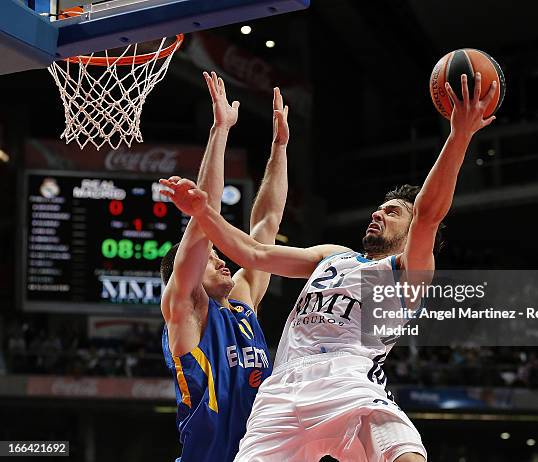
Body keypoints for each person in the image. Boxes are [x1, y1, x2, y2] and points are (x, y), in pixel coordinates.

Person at [161, 73, 496, 462]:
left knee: (404, 451)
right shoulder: (328, 257)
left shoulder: (407, 271)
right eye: (379, 207)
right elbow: (244, 246)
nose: (378, 213)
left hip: (344, 379)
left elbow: (426, 215)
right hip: (272, 400)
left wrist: (459, 136)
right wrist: (205, 200)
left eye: (392, 212)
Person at [159, 71, 289, 462]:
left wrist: (279, 147)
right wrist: (220, 130)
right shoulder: (188, 310)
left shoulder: (242, 303)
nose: (221, 259)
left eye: (220, 255)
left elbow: (266, 223)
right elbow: (203, 219)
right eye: (210, 257)